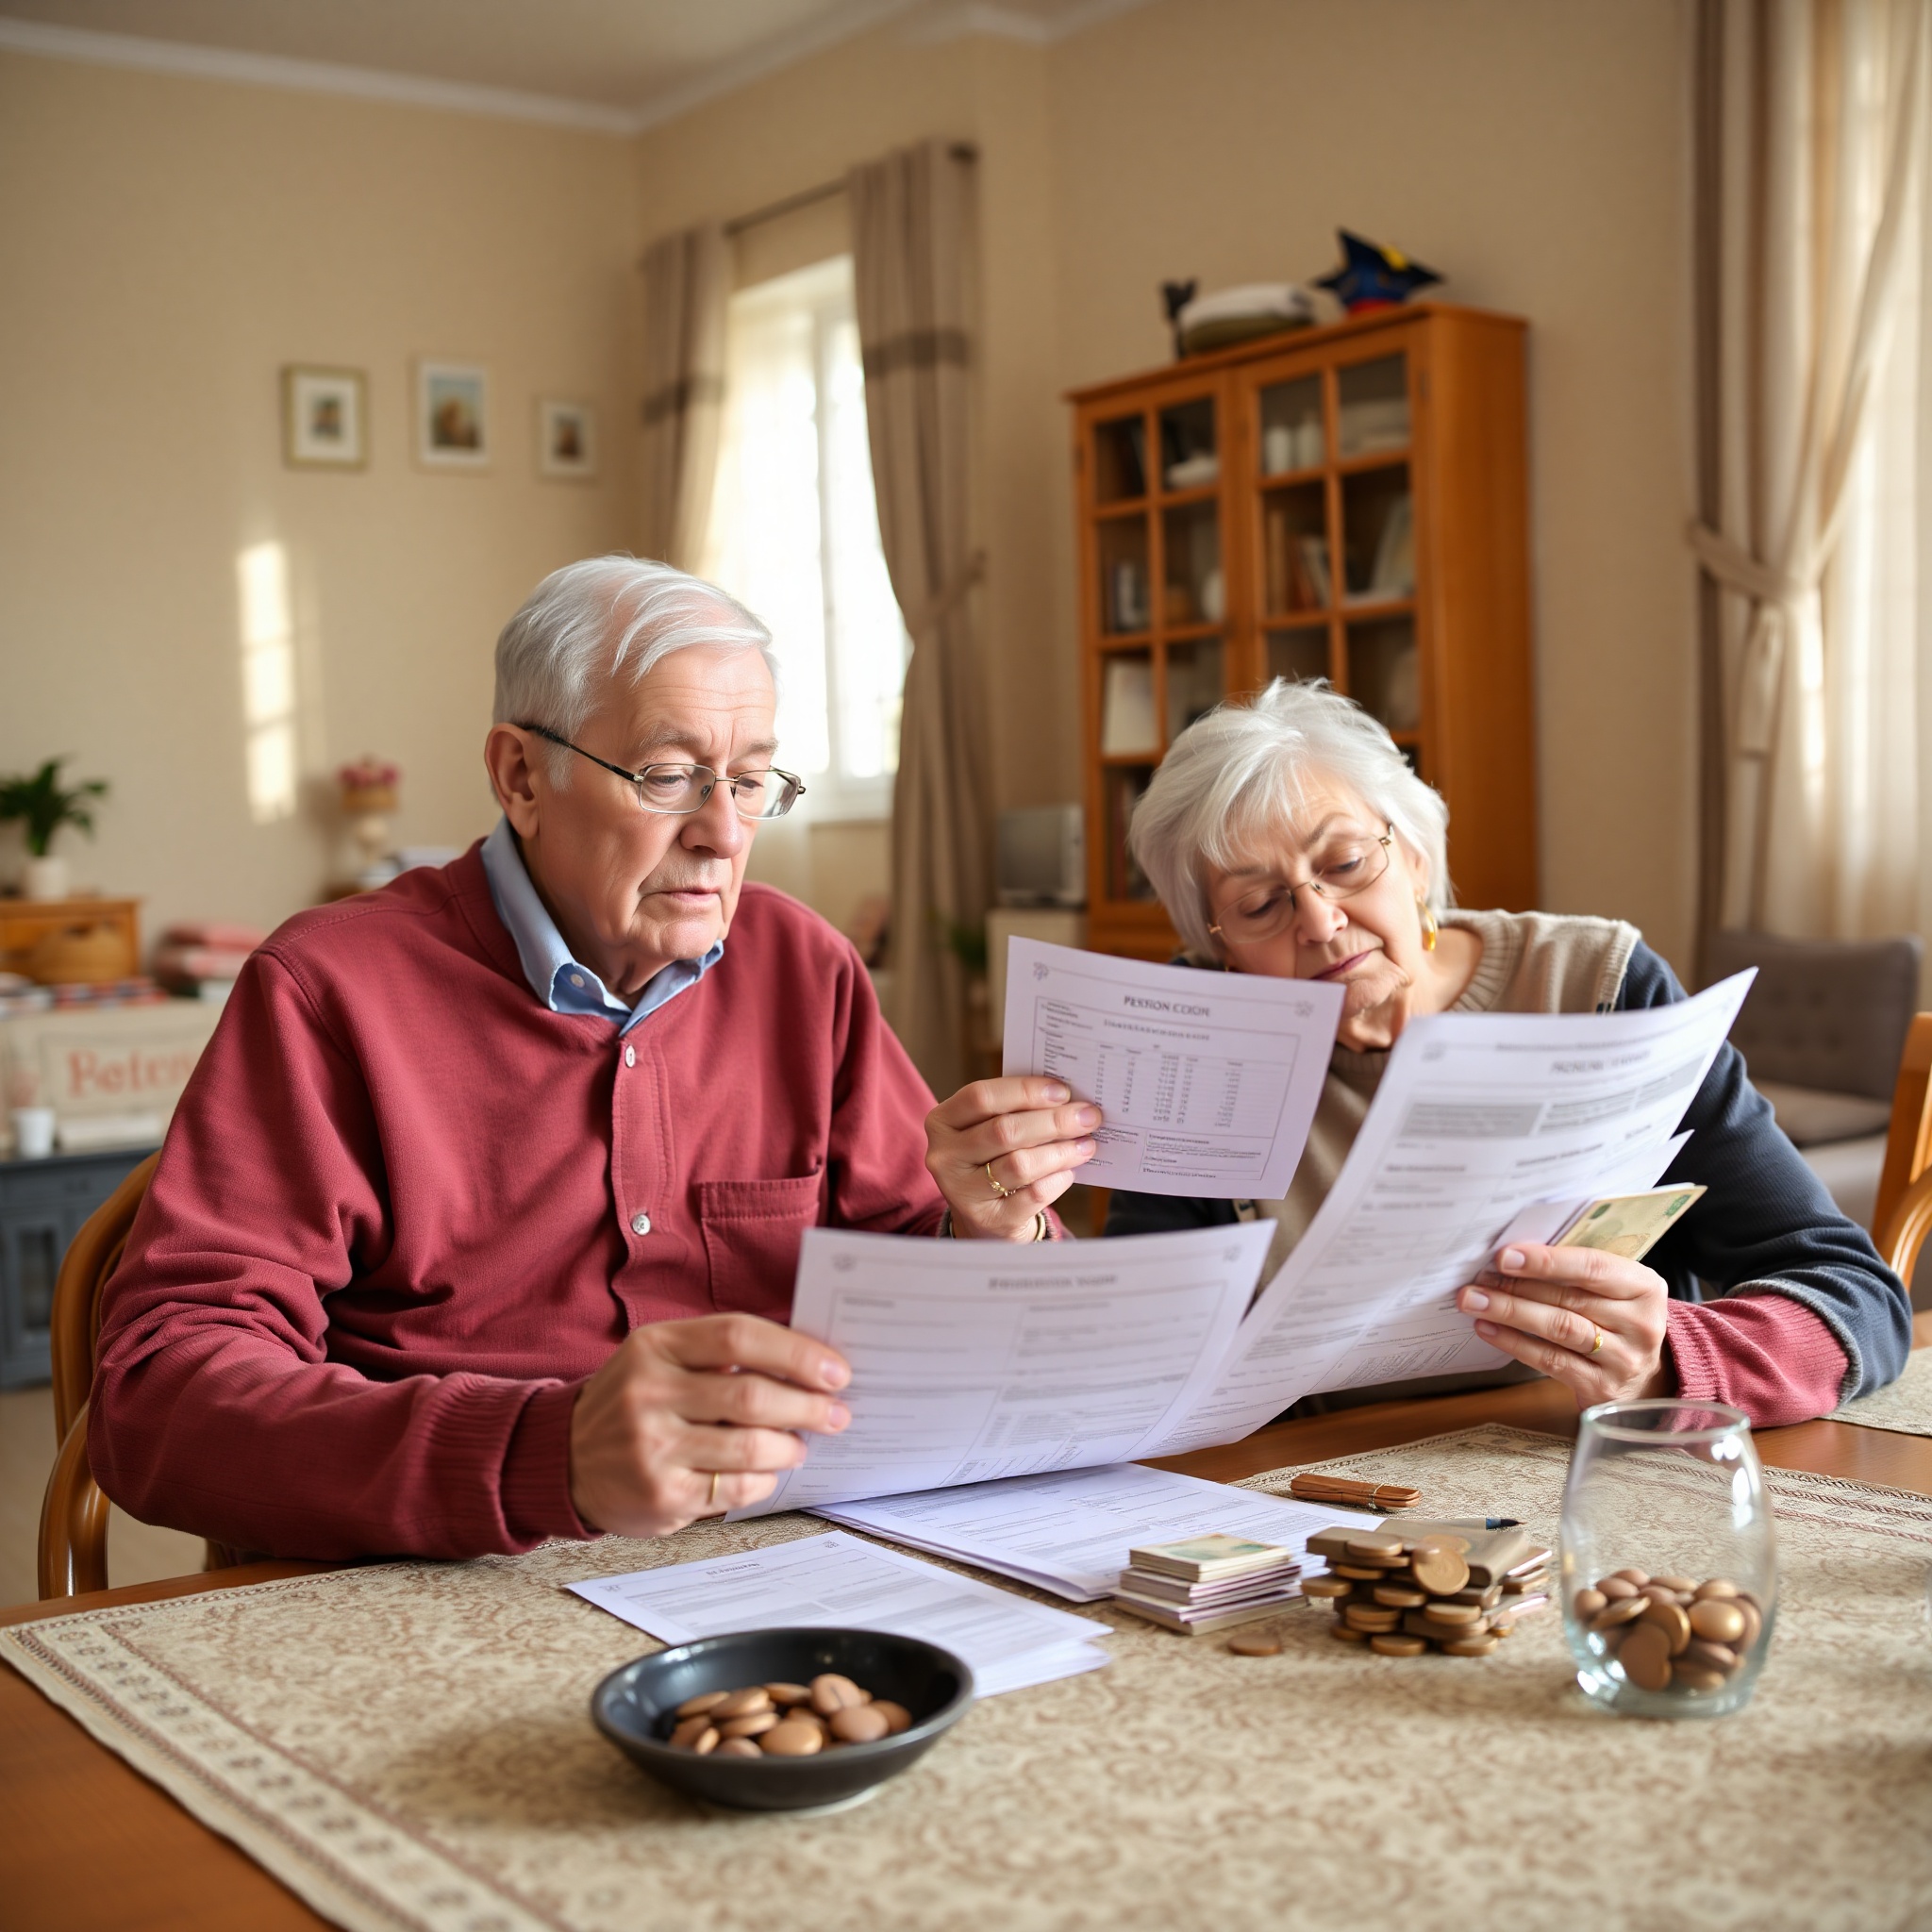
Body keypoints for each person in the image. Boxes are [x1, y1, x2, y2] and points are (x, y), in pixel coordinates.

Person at [90, 558, 1092, 1563]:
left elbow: (913, 1271)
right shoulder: (329, 989)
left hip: (780, 1556)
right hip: (437, 1576)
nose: (722, 832)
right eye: (668, 775)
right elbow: (161, 1393)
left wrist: (988, 1227)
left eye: (749, 781)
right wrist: (544, 1452)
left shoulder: (803, 966)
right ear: (522, 774)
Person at [1098, 678, 1909, 1424]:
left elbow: (1855, 1299)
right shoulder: (1192, 1049)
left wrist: (1665, 1362)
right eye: (1259, 903)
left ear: (1413, 857)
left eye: (1345, 863)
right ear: (1219, 948)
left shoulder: (1596, 986)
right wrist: (1017, 1228)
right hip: (1312, 1494)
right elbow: (1130, 1361)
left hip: (1586, 1456)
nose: (1318, 921)